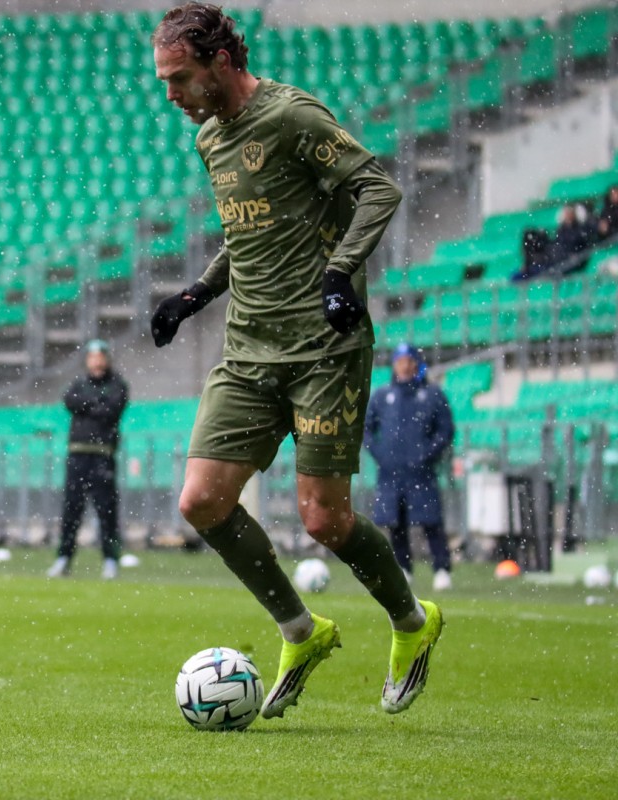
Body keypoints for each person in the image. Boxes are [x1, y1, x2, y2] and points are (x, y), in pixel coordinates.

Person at [149, 3, 442, 719]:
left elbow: (379, 187)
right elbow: (250, 233)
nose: (172, 95)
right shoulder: (210, 139)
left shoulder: (292, 117)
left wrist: (340, 273)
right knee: (201, 502)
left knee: (324, 520)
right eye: (164, 82)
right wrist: (195, 294)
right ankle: (301, 631)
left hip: (323, 350)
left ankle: (412, 621)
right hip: (249, 350)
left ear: (221, 61)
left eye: (180, 78)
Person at [365, 344, 456, 591]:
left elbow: (445, 431)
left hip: (421, 472)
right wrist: (381, 455)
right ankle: (403, 568)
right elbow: (366, 429)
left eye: (408, 361)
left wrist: (426, 454)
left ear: (417, 364)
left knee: (431, 522)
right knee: (395, 523)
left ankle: (442, 569)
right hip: (391, 474)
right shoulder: (383, 396)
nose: (404, 367)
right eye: (399, 361)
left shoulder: (433, 394)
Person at [48, 340, 129, 580]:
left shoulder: (117, 384)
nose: (96, 361)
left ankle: (110, 560)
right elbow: (70, 401)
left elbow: (111, 409)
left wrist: (88, 405)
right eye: (92, 357)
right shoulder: (79, 384)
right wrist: (96, 403)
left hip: (103, 456)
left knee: (107, 510)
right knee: (71, 509)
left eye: (100, 356)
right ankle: (64, 558)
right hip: (78, 455)